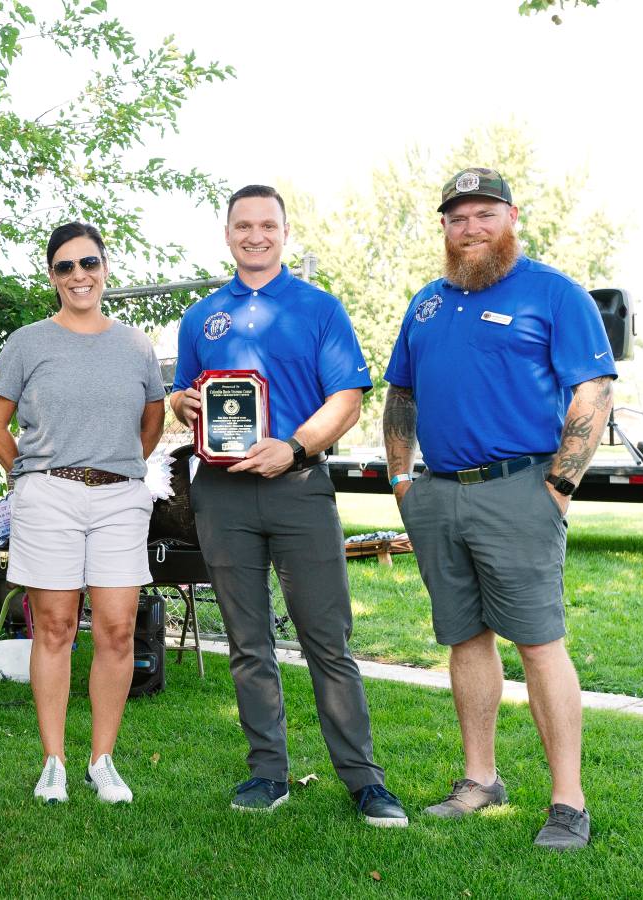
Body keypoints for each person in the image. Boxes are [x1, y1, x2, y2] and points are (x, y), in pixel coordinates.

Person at [382, 167, 616, 851]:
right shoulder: (426, 303)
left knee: (539, 643)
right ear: (446, 229)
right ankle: (480, 779)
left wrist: (559, 485)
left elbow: (593, 391)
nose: (471, 228)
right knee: (464, 638)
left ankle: (567, 802)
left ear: (512, 218)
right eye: (458, 218)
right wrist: (402, 481)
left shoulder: (554, 292)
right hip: (439, 492)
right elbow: (401, 394)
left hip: (520, 488)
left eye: (485, 214)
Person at [170, 185, 407, 825]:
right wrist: (181, 404)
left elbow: (347, 401)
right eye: (242, 225)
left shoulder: (318, 308)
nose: (255, 235)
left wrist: (295, 449)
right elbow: (184, 393)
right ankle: (266, 774)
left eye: (267, 225)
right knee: (247, 643)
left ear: (283, 232)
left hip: (298, 488)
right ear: (227, 234)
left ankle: (364, 780)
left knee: (327, 640)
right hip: (221, 495)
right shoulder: (202, 317)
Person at [0, 222, 165, 805]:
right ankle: (53, 763)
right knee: (55, 628)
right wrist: (26, 477)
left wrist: (119, 469)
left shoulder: (135, 345)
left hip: (119, 498)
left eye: (88, 263)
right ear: (53, 278)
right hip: (48, 497)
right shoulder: (27, 342)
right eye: (65, 267)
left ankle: (102, 762)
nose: (78, 275)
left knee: (116, 630)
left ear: (106, 268)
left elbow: (153, 421)